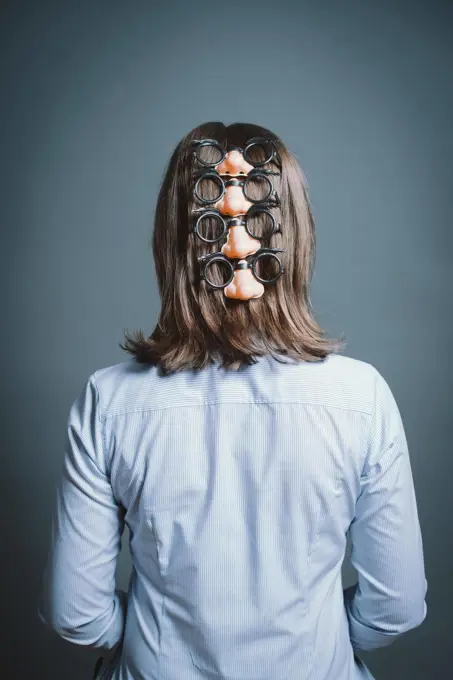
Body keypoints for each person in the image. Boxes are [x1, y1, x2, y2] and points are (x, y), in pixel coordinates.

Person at [38, 121, 428, 680]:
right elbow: (395, 607)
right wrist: (314, 637)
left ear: (172, 242)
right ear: (294, 237)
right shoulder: (361, 396)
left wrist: (157, 642)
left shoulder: (109, 401)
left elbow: (76, 614)